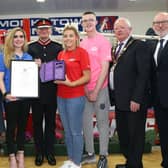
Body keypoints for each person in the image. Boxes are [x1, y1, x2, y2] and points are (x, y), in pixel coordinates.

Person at [110, 17, 150, 168]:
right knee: (124, 135)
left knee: (136, 136)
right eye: (116, 28)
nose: (118, 30)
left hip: (134, 102)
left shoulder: (139, 46)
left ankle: (135, 165)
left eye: (122, 27)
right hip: (120, 101)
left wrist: (137, 98)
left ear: (130, 30)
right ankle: (130, 162)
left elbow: (143, 74)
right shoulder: (115, 48)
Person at [55, 25, 90, 168]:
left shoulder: (82, 52)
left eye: (70, 36)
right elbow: (60, 75)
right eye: (65, 36)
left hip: (75, 97)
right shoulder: (61, 54)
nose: (67, 38)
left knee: (76, 132)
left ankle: (77, 162)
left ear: (76, 38)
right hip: (61, 97)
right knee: (67, 131)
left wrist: (72, 84)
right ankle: (70, 159)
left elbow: (87, 77)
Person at [28, 18, 62, 166]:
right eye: (41, 29)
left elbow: (60, 70)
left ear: (50, 30)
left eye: (46, 29)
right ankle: (39, 153)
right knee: (36, 124)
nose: (44, 31)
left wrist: (43, 67)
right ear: (37, 31)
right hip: (35, 93)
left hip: (52, 92)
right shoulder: (30, 48)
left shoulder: (58, 47)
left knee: (50, 125)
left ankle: (50, 152)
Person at [80, 11, 111, 168]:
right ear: (82, 23)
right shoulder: (82, 43)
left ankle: (103, 155)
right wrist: (86, 89)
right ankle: (91, 154)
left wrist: (96, 91)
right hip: (85, 90)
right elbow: (81, 69)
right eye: (85, 21)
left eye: (90, 20)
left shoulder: (103, 41)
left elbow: (105, 68)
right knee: (85, 122)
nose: (88, 23)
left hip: (101, 90)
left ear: (96, 21)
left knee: (102, 123)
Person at [0, 27, 33, 168]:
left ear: (24, 40)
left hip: (25, 98)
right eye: (16, 36)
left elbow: (31, 79)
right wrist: (6, 94)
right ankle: (12, 156)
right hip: (11, 98)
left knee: (22, 128)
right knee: (11, 128)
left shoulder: (28, 57)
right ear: (11, 39)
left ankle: (21, 154)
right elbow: (0, 78)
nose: (18, 39)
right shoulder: (4, 55)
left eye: (21, 36)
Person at [150, 12, 168, 168]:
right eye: (157, 23)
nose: (160, 25)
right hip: (159, 99)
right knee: (163, 132)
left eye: (163, 22)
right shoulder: (155, 44)